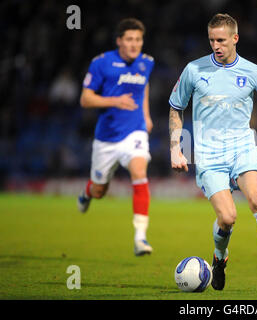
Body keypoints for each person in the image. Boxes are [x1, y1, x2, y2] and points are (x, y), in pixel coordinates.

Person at [168, 13, 257, 292]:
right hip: (209, 155)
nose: (216, 45)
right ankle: (219, 257)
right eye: (212, 40)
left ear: (235, 38)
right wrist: (175, 148)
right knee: (227, 218)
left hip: (242, 149)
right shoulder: (194, 70)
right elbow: (176, 107)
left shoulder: (252, 72)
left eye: (222, 40)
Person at [77, 18, 155, 256]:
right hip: (107, 138)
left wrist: (147, 115)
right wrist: (115, 101)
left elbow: (144, 86)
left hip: (135, 131)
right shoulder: (102, 63)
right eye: (129, 39)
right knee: (100, 191)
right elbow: (85, 99)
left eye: (138, 40)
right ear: (119, 41)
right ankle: (87, 192)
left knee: (139, 172)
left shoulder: (147, 62)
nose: (134, 44)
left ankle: (140, 238)